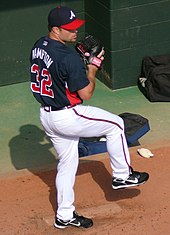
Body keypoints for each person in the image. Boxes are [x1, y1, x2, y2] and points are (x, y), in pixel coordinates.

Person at [30, 6, 149, 230]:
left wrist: (77, 61)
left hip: (46, 118)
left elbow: (56, 68)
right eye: (70, 29)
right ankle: (123, 175)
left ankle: (64, 215)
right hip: (67, 116)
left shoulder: (39, 45)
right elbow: (86, 93)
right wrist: (92, 67)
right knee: (115, 124)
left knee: (67, 163)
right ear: (55, 30)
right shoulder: (68, 58)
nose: (76, 32)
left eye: (76, 27)